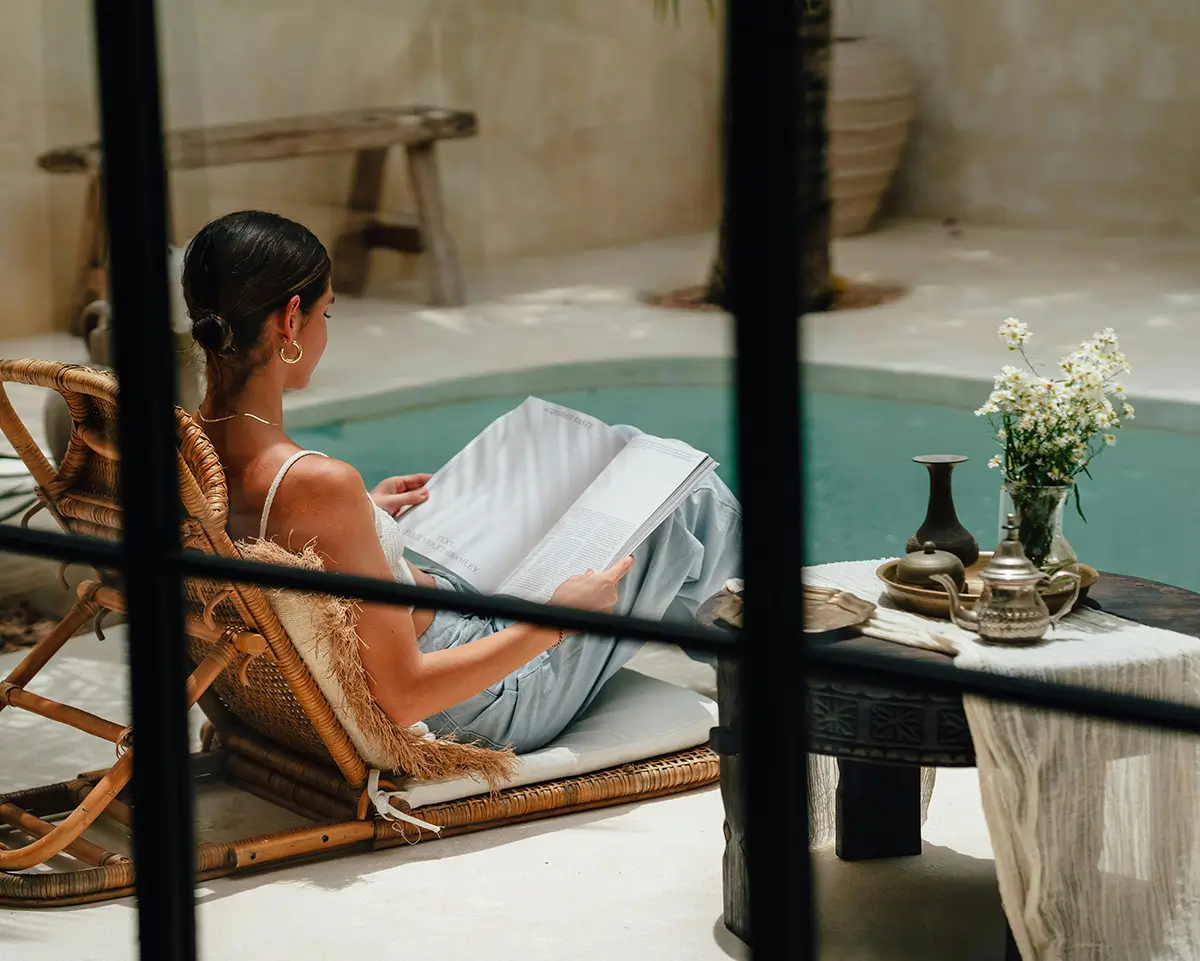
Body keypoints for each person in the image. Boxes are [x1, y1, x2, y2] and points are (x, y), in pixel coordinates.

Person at [184, 210, 742, 754]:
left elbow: (251, 544)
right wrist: (561, 619)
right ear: (290, 320)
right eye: (326, 314)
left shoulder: (183, 456)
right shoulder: (315, 485)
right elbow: (403, 698)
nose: (326, 332)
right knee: (686, 495)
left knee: (618, 450)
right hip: (479, 701)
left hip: (444, 607)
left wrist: (367, 517)